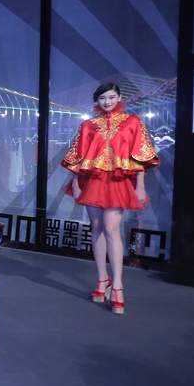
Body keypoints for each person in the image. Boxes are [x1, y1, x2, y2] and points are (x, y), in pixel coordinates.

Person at [62, 83, 159, 315]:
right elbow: (78, 157)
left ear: (119, 97)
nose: (107, 102)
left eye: (111, 97)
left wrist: (140, 186)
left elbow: (139, 156)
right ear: (97, 100)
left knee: (111, 228)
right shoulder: (88, 125)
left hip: (118, 181)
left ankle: (117, 286)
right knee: (96, 227)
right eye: (102, 98)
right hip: (93, 181)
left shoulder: (132, 122)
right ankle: (102, 280)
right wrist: (75, 183)